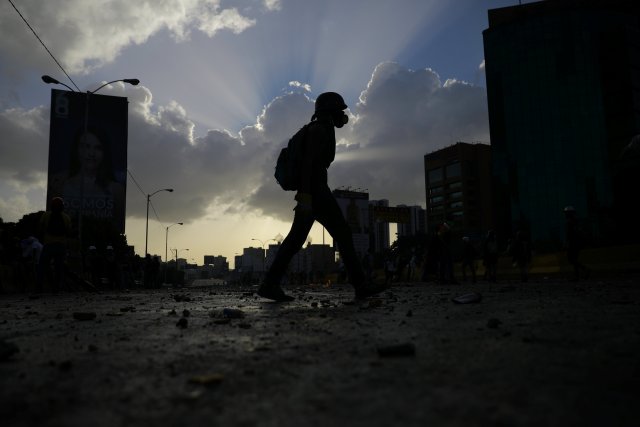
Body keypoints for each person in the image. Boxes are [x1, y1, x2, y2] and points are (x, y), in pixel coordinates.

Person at [259, 92, 386, 301]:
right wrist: (307, 197)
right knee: (343, 233)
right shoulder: (320, 130)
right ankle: (361, 285)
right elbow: (309, 162)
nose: (343, 115)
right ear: (331, 110)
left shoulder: (321, 128)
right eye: (340, 110)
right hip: (316, 191)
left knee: (295, 239)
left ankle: (269, 285)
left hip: (312, 190)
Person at [37, 197, 72, 292]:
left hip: (48, 244)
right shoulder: (66, 217)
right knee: (59, 268)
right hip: (61, 246)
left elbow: (40, 229)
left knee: (42, 266)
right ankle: (57, 287)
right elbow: (68, 232)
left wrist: (42, 240)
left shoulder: (46, 215)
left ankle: (39, 286)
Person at [564, 206, 590, 281]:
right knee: (574, 259)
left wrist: (567, 242)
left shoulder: (571, 221)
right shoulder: (576, 221)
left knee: (571, 259)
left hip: (573, 242)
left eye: (566, 213)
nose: (565, 214)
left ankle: (584, 270)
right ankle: (577, 275)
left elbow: (570, 233)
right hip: (576, 242)